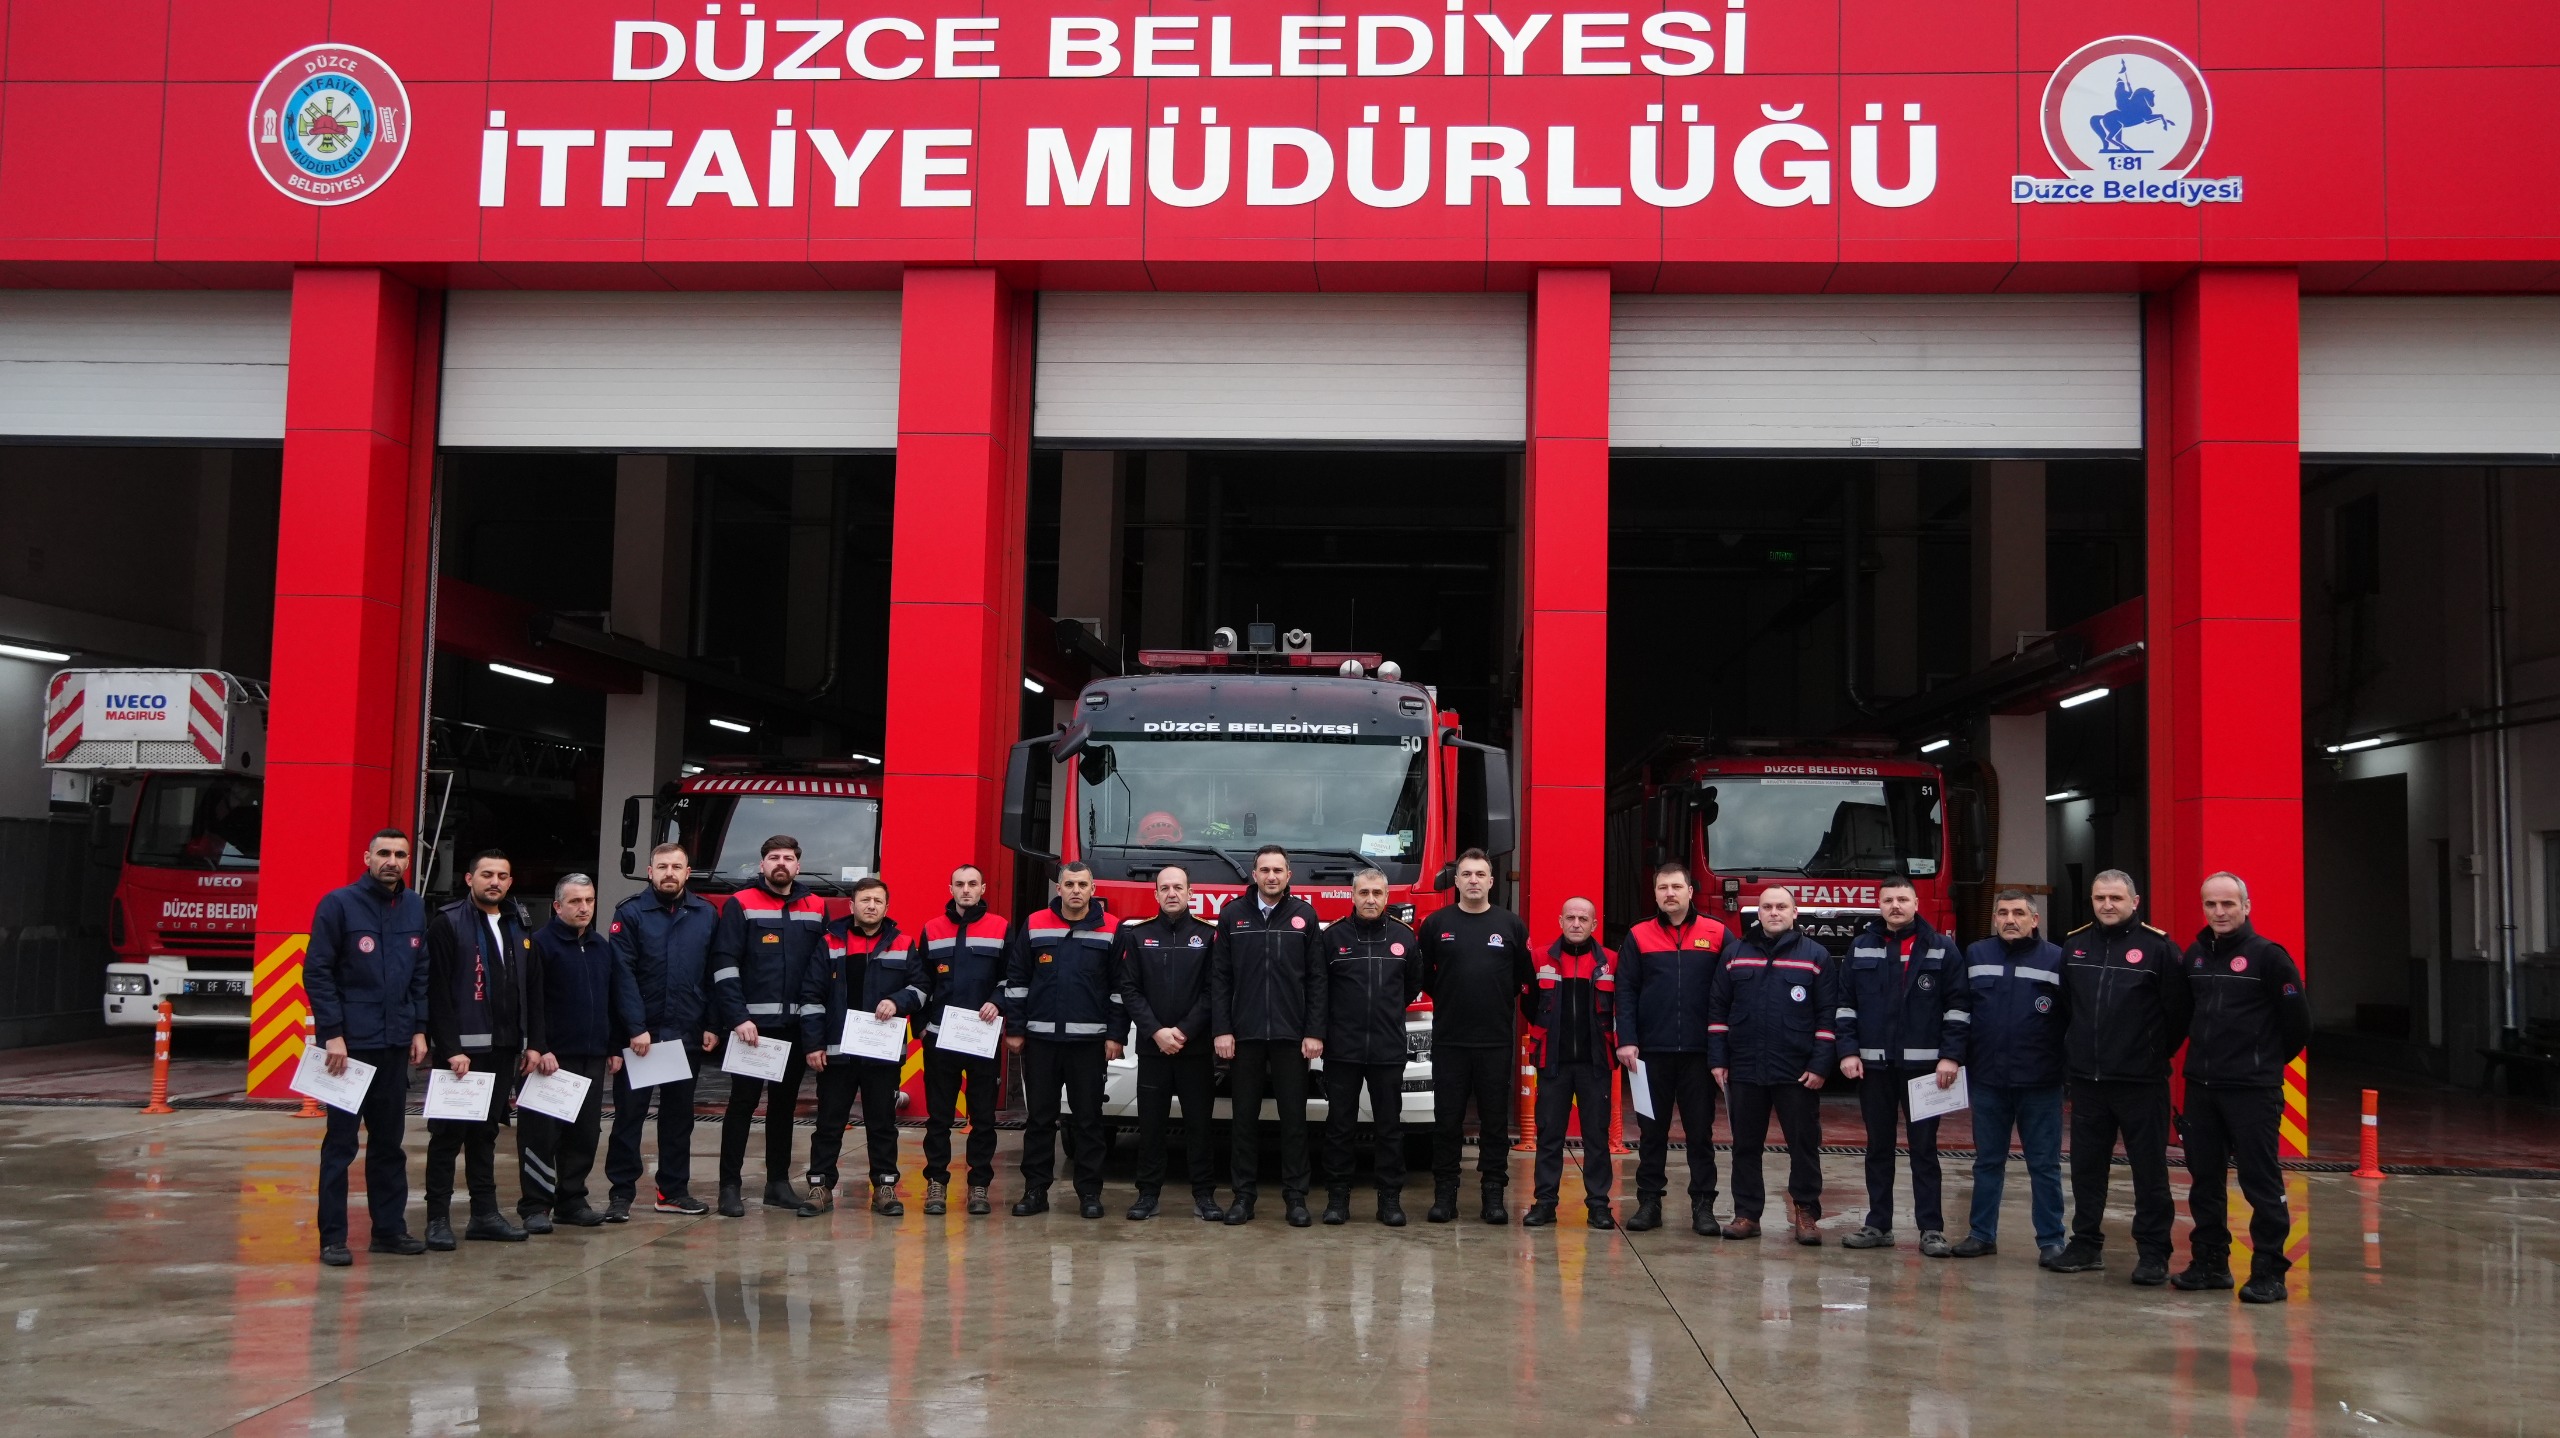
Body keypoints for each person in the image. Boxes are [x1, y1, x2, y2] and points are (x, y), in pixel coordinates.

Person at [2046, 869, 2190, 1284]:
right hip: (2089, 1083)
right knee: (2087, 1168)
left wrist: (2148, 1055)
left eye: (2115, 898)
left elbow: (2177, 1015)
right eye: (2099, 898)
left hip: (2141, 1083)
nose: (2107, 905)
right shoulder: (2074, 946)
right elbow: (2068, 1009)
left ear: (2134, 902)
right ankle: (2086, 1244)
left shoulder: (2159, 949)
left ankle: (2153, 1253)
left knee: (2149, 1171)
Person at [2175, 872, 2311, 1304]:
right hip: (2202, 1088)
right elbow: (2183, 1015)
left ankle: (2269, 1272)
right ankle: (2211, 1264)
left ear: (2246, 906)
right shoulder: (2195, 956)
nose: (2219, 912)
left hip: (2252, 1091)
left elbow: (2298, 1025)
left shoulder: (2269, 957)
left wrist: (2262, 1063)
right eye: (2211, 905)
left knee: (2260, 1182)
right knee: (2204, 1180)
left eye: (2228, 904)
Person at [307, 829, 431, 1267]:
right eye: (383, 853)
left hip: (395, 1045)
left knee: (388, 1144)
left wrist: (419, 1029)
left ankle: (389, 1230)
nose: (391, 861)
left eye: (400, 854)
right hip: (350, 1049)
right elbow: (318, 972)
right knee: (340, 1146)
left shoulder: (415, 906)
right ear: (367, 857)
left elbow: (421, 972)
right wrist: (332, 1033)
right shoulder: (338, 905)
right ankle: (334, 1239)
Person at [1834, 878, 1968, 1256]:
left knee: (1924, 1149)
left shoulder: (1942, 949)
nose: (1896, 905)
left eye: (1903, 899)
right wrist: (1848, 1052)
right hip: (1874, 1069)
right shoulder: (1861, 948)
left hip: (1926, 1070)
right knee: (1878, 1148)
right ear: (1879, 905)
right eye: (1889, 900)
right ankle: (1878, 1224)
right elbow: (1845, 1006)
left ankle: (1931, 1229)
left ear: (1916, 902)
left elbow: (1958, 1007)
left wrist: (1951, 1055)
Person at [421, 849, 546, 1248]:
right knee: (446, 1136)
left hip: (503, 1049)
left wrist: (533, 1044)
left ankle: (484, 1215)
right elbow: (436, 990)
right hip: (460, 1054)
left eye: (503, 876)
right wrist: (450, 1046)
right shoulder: (448, 923)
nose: (495, 882)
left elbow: (532, 989)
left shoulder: (518, 922)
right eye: (487, 874)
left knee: (485, 1134)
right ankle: (437, 1219)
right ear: (468, 878)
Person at [709, 835, 832, 1217]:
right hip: (753, 1031)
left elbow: (823, 967)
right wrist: (738, 1018)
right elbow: (724, 965)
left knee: (783, 1108)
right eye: (774, 857)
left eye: (789, 858)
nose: (781, 863)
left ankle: (777, 1183)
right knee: (741, 1106)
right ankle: (729, 1187)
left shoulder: (817, 906)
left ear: (798, 866)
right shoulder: (740, 904)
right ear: (762, 865)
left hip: (795, 1028)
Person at [1708, 887, 1837, 1245]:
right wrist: (1718, 1059)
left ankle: (1806, 1213)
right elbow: (1718, 1010)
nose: (1774, 912)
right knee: (1745, 1145)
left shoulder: (1816, 956)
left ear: (1795, 914)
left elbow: (1828, 1016)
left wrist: (1821, 1064)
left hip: (1796, 1070)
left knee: (1804, 1144)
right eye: (1767, 907)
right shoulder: (1734, 955)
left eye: (1782, 907)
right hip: (1745, 1067)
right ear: (1757, 913)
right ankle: (1747, 1214)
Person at [1210, 845, 1328, 1227]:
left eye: (1278, 870)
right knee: (1243, 1119)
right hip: (1243, 1037)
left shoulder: (1304, 917)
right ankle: (1243, 1198)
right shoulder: (1232, 916)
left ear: (1289, 875)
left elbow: (1317, 981)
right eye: (1265, 870)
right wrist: (1222, 1030)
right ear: (1254, 874)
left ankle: (1296, 1198)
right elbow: (1220, 979)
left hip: (1291, 1038)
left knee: (1294, 1120)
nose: (1272, 876)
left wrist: (1313, 1032)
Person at [1947, 890, 2068, 1262]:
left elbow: (2069, 1019)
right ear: (1994, 919)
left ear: (2035, 920)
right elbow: (1960, 1009)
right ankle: (1982, 1234)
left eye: (2018, 912)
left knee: (2044, 1165)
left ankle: (2051, 1240)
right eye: (2002, 912)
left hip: (2041, 1082)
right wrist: (1952, 1057)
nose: (2010, 919)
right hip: (1989, 1080)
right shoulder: (1977, 955)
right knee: (1987, 1162)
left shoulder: (2058, 959)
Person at [522, 873, 647, 1229]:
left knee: (584, 1133)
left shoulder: (601, 947)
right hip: (551, 1060)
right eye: (575, 902)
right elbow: (532, 1003)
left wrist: (613, 1047)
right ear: (557, 906)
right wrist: (540, 1047)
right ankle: (535, 1207)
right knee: (542, 1134)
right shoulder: (540, 946)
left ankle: (571, 1201)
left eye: (589, 901)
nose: (583, 908)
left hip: (592, 1057)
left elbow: (611, 1000)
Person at [1612, 862, 1730, 1236]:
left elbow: (1729, 993)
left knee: (1700, 1133)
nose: (1669, 894)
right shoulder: (1638, 936)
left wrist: (1721, 1048)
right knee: (1651, 1132)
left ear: (1691, 891)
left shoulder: (1717, 933)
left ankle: (1703, 1207)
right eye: (1662, 887)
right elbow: (1625, 991)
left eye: (1676, 886)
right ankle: (1649, 1203)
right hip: (1650, 1055)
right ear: (1656, 892)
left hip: (1699, 1054)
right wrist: (1626, 1039)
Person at [605, 842, 721, 1221]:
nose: (669, 873)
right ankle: (620, 1194)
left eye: (677, 866)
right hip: (642, 1039)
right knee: (629, 1118)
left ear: (688, 873)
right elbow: (621, 976)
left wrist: (712, 1024)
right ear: (650, 872)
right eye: (662, 866)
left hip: (684, 1036)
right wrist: (636, 1028)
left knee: (678, 1119)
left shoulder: (705, 914)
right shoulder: (631, 913)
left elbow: (713, 974)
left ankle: (672, 1191)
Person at [1415, 848, 1532, 1224]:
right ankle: (1445, 1194)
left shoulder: (1511, 925)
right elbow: (1424, 975)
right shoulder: (1436, 924)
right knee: (1446, 1121)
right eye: (1466, 874)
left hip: (1495, 1041)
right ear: (1457, 881)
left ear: (1491, 881)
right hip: (1450, 1040)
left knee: (1494, 1123)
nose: (1473, 881)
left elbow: (1520, 979)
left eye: (1480, 874)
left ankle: (1493, 1195)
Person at [1002, 861, 1123, 1219]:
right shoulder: (1035, 923)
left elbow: (1119, 988)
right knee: (1040, 1119)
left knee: (1088, 1120)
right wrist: (1016, 1028)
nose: (1075, 890)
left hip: (1089, 1044)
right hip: (1041, 1041)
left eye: (1082, 885)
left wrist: (1116, 1035)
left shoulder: (1112, 928)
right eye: (1069, 884)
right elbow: (1018, 978)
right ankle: (1035, 1191)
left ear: (1092, 889)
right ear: (1059, 888)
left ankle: (1089, 1194)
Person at [799, 876, 924, 1217]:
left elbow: (922, 988)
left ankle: (884, 1187)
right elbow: (811, 996)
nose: (871, 906)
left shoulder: (903, 943)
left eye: (877, 901)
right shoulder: (830, 943)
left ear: (887, 907)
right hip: (837, 1053)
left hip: (881, 1055)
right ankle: (820, 1187)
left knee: (882, 1123)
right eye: (865, 900)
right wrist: (813, 1044)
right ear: (852, 906)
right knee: (829, 1123)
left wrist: (898, 1001)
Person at [1113, 865, 1222, 1221]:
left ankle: (1205, 1195)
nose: (1172, 893)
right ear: (1156, 895)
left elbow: (1214, 990)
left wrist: (1185, 1031)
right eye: (1165, 888)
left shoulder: (1208, 936)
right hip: (1153, 1048)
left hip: (1195, 1049)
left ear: (1190, 893)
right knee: (1151, 1124)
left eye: (1178, 887)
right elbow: (1129, 988)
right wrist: (1156, 1031)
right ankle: (1147, 1195)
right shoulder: (1138, 935)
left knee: (1199, 1126)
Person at [1319, 868, 1421, 1227]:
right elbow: (1320, 992)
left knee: (1389, 1129)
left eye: (1378, 893)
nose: (1371, 899)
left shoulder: (1404, 938)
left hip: (1387, 1049)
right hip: (1342, 1050)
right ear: (1353, 895)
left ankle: (1389, 1201)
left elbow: (1411, 987)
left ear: (1387, 897)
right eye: (1364, 893)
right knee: (1339, 1128)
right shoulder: (1332, 938)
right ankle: (1337, 1199)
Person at [917, 864, 1009, 1216]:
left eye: (973, 884)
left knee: (983, 1117)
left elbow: (1010, 977)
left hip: (982, 1039)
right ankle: (936, 1183)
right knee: (938, 1117)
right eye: (960, 884)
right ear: (950, 888)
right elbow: (921, 981)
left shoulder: (1000, 928)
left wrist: (996, 1002)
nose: (966, 890)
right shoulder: (931, 929)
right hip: (940, 1038)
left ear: (983, 888)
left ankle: (979, 1186)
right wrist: (922, 1025)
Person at [1523, 897, 1619, 1230]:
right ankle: (1544, 1204)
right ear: (1560, 921)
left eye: (1583, 919)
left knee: (1597, 1137)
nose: (1576, 924)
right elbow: (1529, 1006)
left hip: (1596, 1065)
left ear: (1594, 925)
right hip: (1553, 1064)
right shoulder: (1539, 959)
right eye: (1570, 918)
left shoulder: (1611, 962)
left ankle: (1599, 1206)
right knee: (1549, 1136)